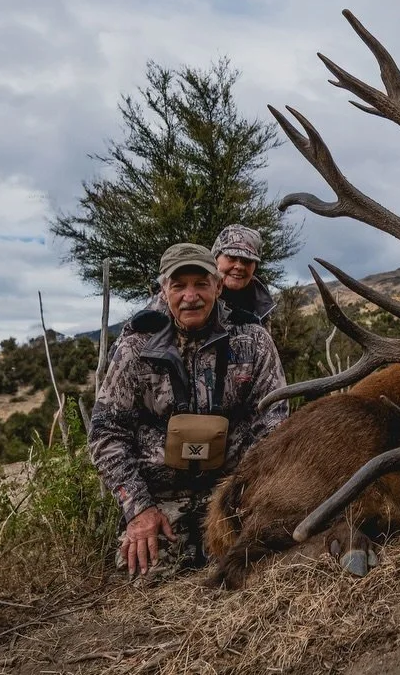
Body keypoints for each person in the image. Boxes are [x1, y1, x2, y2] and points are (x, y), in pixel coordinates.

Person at [89, 242, 288, 579]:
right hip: (162, 496)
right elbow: (107, 432)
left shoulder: (253, 339)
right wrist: (139, 510)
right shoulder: (137, 344)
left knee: (268, 568)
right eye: (179, 286)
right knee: (143, 577)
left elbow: (273, 424)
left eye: (201, 284)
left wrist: (251, 495)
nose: (190, 296)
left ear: (218, 286)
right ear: (163, 288)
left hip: (234, 492)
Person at [211, 224, 276, 326]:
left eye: (247, 260)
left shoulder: (263, 305)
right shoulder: (197, 297)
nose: (239, 266)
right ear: (215, 258)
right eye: (231, 257)